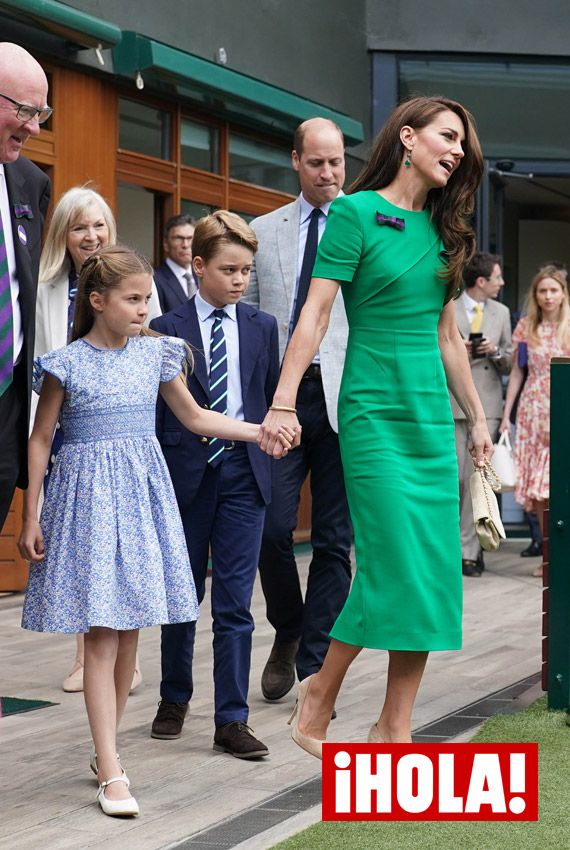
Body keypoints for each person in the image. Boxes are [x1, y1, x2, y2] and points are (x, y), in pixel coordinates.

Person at [18, 245, 294, 816]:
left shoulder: (160, 355)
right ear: (97, 301)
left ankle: (107, 749)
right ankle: (112, 768)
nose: (146, 308)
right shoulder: (65, 363)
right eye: (134, 298)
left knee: (128, 636)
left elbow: (195, 419)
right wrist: (30, 515)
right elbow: (41, 438)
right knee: (100, 633)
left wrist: (259, 431)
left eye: (149, 297)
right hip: (85, 503)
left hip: (142, 499)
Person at [258, 95, 493, 755]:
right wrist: (281, 402)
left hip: (427, 418)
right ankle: (319, 695)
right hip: (371, 412)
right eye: (448, 137)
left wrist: (476, 419)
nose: (456, 151)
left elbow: (448, 337)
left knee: (432, 568)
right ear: (408, 136)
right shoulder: (355, 214)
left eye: (463, 147)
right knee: (390, 565)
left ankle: (395, 724)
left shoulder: (447, 234)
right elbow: (315, 315)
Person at [149, 211, 280, 758]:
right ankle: (174, 697)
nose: (239, 280)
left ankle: (232, 718)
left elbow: (270, 398)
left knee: (234, 603)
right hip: (183, 477)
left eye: (247, 271)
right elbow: (161, 414)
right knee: (182, 595)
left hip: (244, 479)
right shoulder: (165, 330)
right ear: (198, 265)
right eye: (229, 269)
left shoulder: (262, 327)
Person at [246, 117, 352, 703]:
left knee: (336, 539)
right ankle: (289, 628)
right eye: (317, 162)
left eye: (336, 161)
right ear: (295, 161)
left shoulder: (363, 226)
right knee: (272, 529)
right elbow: (257, 323)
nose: (329, 173)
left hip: (344, 398)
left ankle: (312, 668)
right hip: (281, 401)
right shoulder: (265, 230)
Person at [34, 185, 151, 693]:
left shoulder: (132, 287)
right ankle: (85, 655)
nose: (91, 234)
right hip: (65, 425)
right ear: (63, 234)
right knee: (82, 545)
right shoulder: (44, 287)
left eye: (99, 224)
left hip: (121, 433)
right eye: (80, 226)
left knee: (123, 545)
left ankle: (124, 648)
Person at [0, 42, 51, 532]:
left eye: (40, 112)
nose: (34, 127)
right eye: (24, 110)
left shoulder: (30, 182)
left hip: (6, 403)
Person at [500, 265, 570, 577]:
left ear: (563, 293)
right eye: (542, 291)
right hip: (533, 410)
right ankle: (548, 558)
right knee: (540, 492)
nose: (548, 296)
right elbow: (517, 371)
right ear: (536, 295)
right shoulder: (526, 327)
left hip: (563, 407)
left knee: (559, 485)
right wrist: (506, 414)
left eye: (553, 290)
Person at [450, 252, 512, 577]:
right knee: (455, 480)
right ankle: (451, 548)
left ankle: (469, 553)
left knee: (477, 480)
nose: (502, 283)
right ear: (481, 281)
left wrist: (495, 351)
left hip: (486, 406)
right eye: (498, 278)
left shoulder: (501, 313)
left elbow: (511, 361)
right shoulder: (449, 305)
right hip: (450, 404)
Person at [154, 213, 197, 313]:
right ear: (166, 244)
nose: (185, 245)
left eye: (190, 238)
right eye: (178, 238)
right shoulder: (155, 279)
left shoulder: (203, 277)